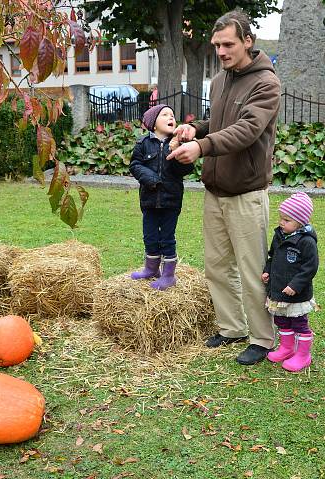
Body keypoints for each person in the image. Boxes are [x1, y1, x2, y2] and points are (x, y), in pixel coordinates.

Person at [167, 9, 281, 365]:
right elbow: (218, 122)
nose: (220, 51)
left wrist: (201, 146)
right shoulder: (220, 80)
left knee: (251, 271)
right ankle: (232, 327)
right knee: (217, 266)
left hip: (247, 192)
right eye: (216, 45)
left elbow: (247, 129)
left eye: (228, 44)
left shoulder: (267, 84)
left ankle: (263, 338)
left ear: (248, 41)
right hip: (215, 190)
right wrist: (195, 130)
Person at [129, 104, 195, 290]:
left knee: (167, 238)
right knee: (150, 236)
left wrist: (175, 152)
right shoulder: (143, 144)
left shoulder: (179, 144)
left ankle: (168, 275)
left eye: (172, 115)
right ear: (153, 123)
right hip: (149, 201)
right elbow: (135, 165)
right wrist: (151, 178)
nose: (170, 118)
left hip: (171, 201)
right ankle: (151, 269)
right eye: (165, 115)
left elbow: (185, 169)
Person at [262, 193, 318, 373]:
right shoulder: (279, 235)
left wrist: (295, 285)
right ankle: (286, 348)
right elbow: (272, 256)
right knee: (281, 320)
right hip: (278, 290)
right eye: (281, 218)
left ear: (300, 222)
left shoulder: (306, 242)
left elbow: (310, 267)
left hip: (296, 294)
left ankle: (303, 355)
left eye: (287, 220)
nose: (281, 222)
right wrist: (267, 271)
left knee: (299, 322)